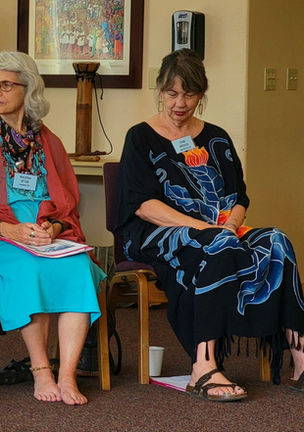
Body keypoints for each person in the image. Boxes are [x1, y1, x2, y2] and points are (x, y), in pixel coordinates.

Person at [116, 48, 304, 401]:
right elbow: (142, 205)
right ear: (159, 91)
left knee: (277, 240)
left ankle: (301, 357)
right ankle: (203, 367)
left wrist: (230, 224)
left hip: (219, 230)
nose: (180, 103)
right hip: (160, 232)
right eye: (172, 93)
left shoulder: (216, 137)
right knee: (219, 246)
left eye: (189, 94)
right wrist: (203, 228)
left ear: (201, 95)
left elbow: (238, 196)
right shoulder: (139, 137)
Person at [0, 51, 104, 406]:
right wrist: (9, 230)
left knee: (78, 267)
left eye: (6, 84)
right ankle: (41, 370)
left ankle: (66, 374)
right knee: (29, 267)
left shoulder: (49, 142)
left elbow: (68, 204)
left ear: (28, 89)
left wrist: (54, 227)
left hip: (46, 233)